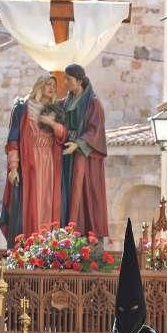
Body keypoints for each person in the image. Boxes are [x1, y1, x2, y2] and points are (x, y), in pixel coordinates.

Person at [1, 75, 66, 241]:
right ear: (40, 85)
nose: (52, 88)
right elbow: (13, 139)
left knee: (49, 204)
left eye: (54, 85)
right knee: (30, 206)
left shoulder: (56, 110)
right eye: (48, 84)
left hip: (51, 163)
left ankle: (48, 246)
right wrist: (14, 167)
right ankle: (30, 245)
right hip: (30, 164)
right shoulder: (23, 107)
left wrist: (51, 123)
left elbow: (64, 136)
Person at [57, 64, 109, 238]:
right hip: (66, 156)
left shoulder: (93, 103)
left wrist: (78, 144)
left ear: (79, 81)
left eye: (68, 79)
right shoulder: (65, 102)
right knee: (66, 194)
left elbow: (96, 130)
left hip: (85, 158)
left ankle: (85, 235)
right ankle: (65, 233)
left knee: (84, 194)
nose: (65, 82)